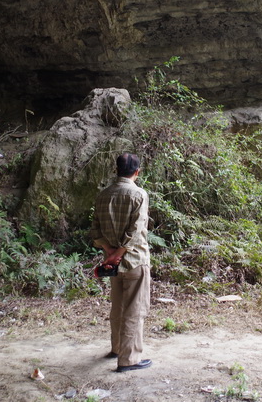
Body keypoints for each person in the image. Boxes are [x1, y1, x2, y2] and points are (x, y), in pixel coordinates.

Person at [89, 153, 152, 372]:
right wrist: (121, 252)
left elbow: (95, 229)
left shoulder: (103, 195)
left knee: (118, 306)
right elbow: (136, 230)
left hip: (112, 263)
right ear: (137, 172)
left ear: (116, 170)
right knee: (135, 310)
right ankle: (129, 360)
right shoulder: (139, 194)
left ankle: (116, 348)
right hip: (134, 260)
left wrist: (110, 252)